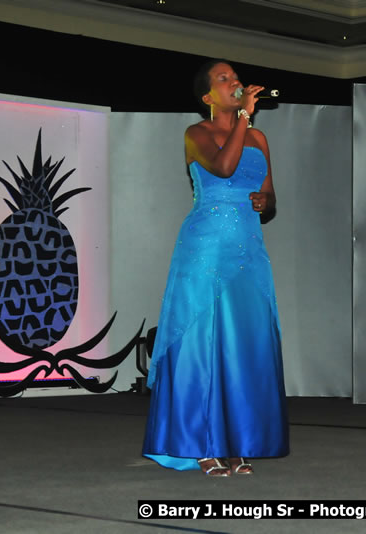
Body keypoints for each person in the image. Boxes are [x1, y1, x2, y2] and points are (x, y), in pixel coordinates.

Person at [142, 59, 289, 476]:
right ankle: (200, 442)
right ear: (208, 97)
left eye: (236, 78)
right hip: (206, 246)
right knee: (202, 342)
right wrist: (244, 115)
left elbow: (270, 195)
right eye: (224, 79)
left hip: (248, 248)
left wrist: (266, 203)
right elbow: (224, 167)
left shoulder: (258, 136)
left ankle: (239, 440)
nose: (235, 82)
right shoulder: (196, 134)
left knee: (244, 342)